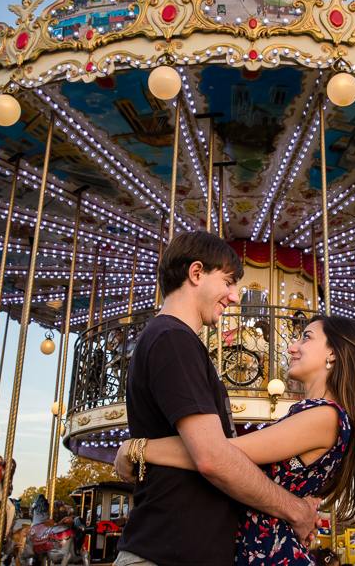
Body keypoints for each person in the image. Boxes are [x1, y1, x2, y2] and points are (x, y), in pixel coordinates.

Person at [109, 231, 325, 566]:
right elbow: (212, 456)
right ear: (196, 273)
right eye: (228, 282)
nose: (235, 297)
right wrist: (296, 510)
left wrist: (138, 448)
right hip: (170, 548)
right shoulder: (172, 340)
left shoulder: (174, 341)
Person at [116, 304, 355, 563]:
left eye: (306, 337)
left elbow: (218, 453)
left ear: (334, 352)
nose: (292, 347)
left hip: (270, 554)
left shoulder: (324, 415)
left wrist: (138, 448)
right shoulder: (318, 415)